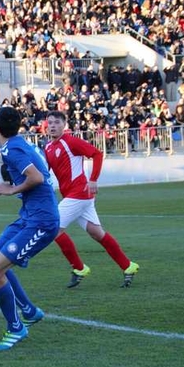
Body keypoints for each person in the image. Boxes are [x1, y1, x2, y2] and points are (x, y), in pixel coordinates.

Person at [0, 106, 59, 351]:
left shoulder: (13, 149)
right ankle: (29, 311)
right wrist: (4, 187)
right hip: (28, 216)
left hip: (41, 222)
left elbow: (36, 177)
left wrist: (11, 189)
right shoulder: (15, 145)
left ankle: (16, 327)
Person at [44, 111, 140, 288]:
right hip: (76, 196)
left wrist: (94, 179)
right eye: (49, 122)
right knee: (97, 233)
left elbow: (97, 153)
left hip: (80, 192)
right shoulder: (48, 148)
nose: (52, 126)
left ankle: (79, 268)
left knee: (52, 229)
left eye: (56, 122)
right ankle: (128, 266)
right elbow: (44, 173)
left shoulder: (70, 141)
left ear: (64, 125)